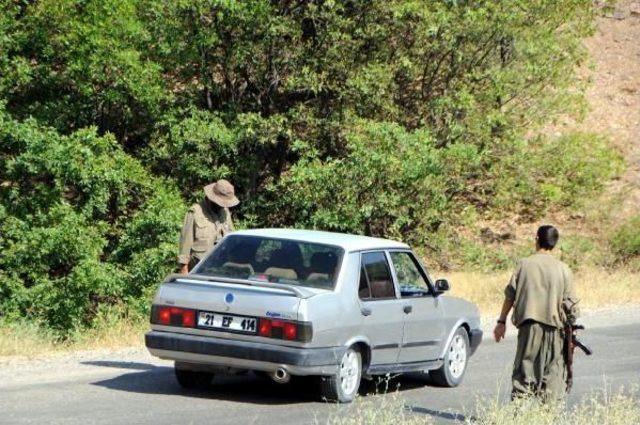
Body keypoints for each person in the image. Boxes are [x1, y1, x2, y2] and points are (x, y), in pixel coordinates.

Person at [493, 225, 579, 400]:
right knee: (553, 374)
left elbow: (510, 296)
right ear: (555, 244)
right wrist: (572, 337)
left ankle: (520, 415)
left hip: (529, 328)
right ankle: (546, 416)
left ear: (537, 239)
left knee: (524, 373)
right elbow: (571, 307)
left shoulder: (524, 264)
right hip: (555, 330)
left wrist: (501, 322)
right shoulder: (564, 269)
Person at [177, 179, 239, 274]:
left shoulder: (225, 212)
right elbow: (185, 246)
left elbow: (232, 239)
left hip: (222, 270)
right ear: (211, 198)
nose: (222, 206)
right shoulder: (195, 212)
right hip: (199, 271)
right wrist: (184, 272)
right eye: (220, 203)